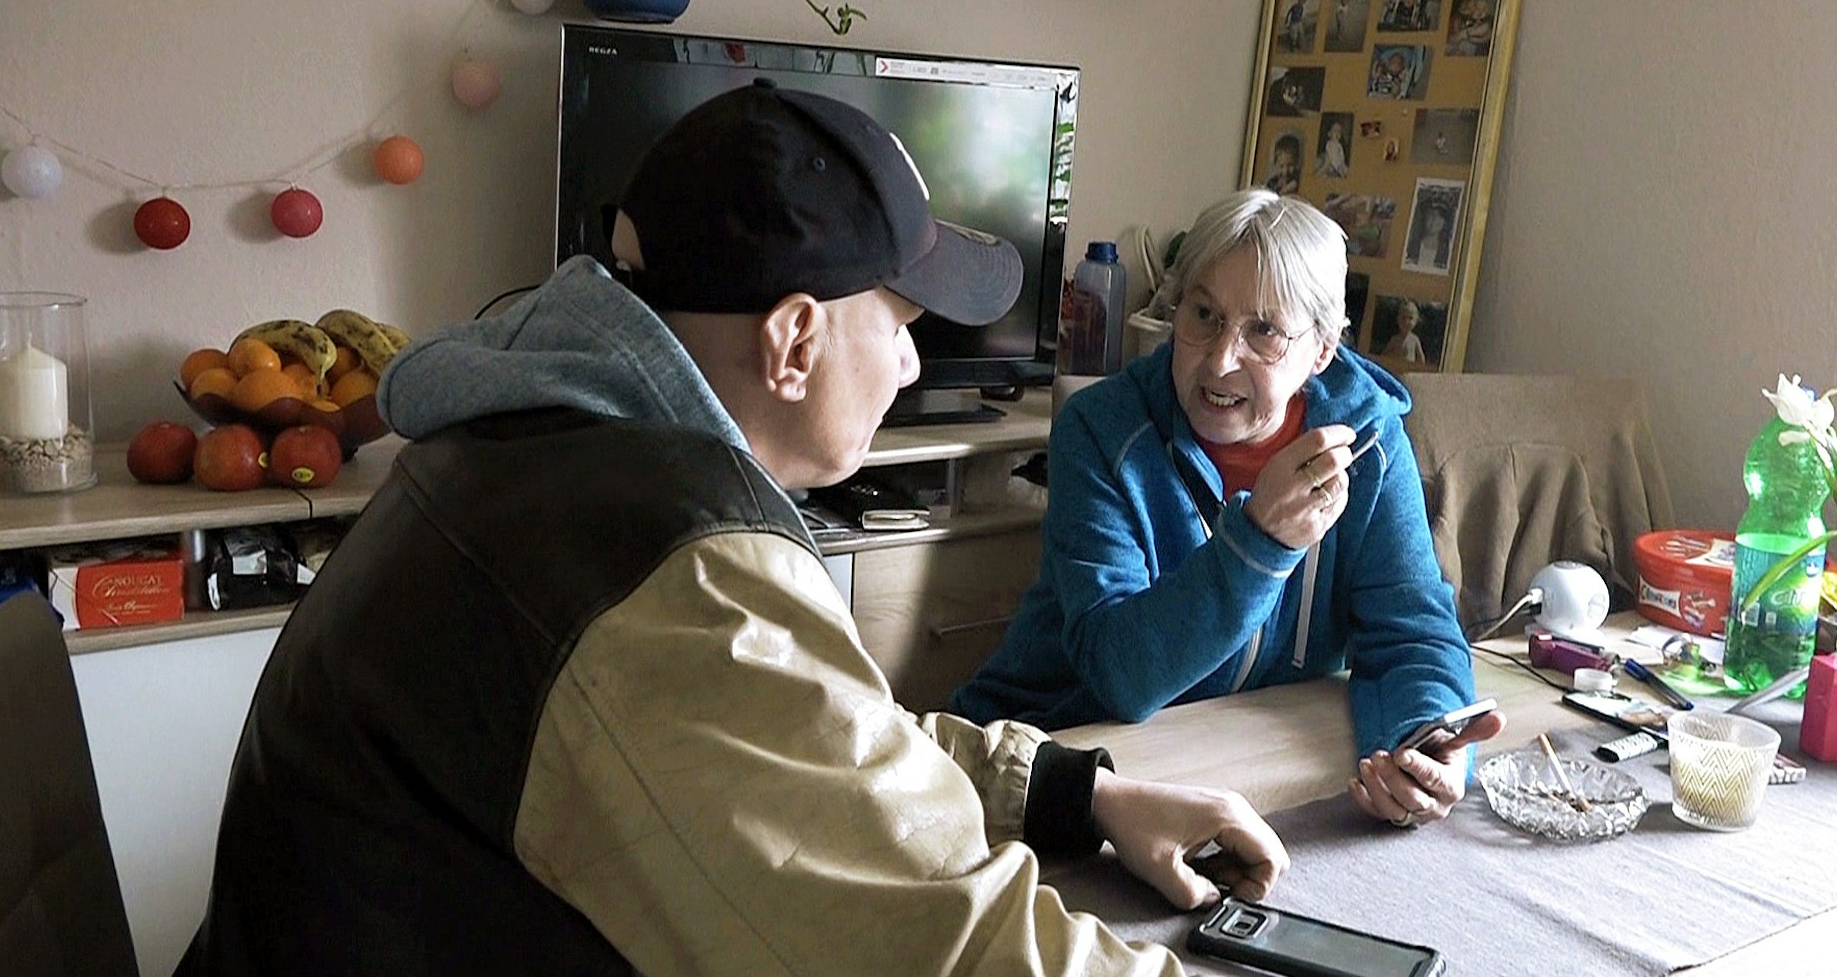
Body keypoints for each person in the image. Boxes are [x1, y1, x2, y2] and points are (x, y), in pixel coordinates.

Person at [181, 83, 1287, 975]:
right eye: (901, 324)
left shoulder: (519, 447)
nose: (911, 363)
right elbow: (951, 950)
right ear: (793, 341)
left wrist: (1076, 793)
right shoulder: (668, 580)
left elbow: (812, 744)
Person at [952, 189, 1500, 830]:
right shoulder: (1100, 432)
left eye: (1264, 331)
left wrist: (1424, 743)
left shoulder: (1367, 442)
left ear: (1322, 350)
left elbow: (1412, 632)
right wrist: (1262, 541)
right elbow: (1119, 676)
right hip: (1046, 765)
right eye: (1204, 314)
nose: (1219, 359)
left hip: (1227, 765)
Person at [1382, 299, 1425, 363]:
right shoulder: (1395, 339)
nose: (1406, 322)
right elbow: (1384, 355)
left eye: (1410, 318)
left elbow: (1421, 359)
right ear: (1398, 320)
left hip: (1409, 370)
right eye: (1403, 318)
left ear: (1416, 321)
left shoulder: (1415, 340)